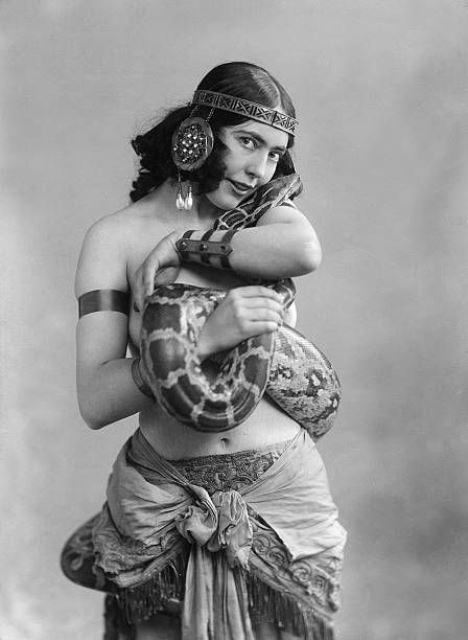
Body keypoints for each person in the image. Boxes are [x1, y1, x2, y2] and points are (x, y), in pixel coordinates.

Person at [61, 61, 347, 640]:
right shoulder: (114, 238)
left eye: (274, 153)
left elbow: (306, 251)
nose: (259, 169)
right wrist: (203, 340)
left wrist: (182, 244)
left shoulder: (265, 216)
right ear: (197, 132)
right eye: (247, 141)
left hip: (282, 498)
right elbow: (95, 400)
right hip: (162, 495)